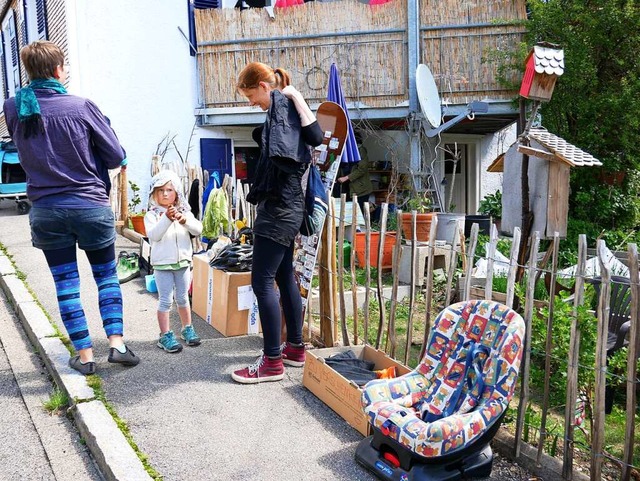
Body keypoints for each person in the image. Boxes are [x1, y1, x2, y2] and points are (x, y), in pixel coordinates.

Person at [2, 40, 138, 375]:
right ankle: (117, 345)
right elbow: (116, 155)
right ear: (60, 70)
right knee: (106, 278)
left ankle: (85, 356)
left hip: (47, 210)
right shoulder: (81, 107)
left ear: (28, 71)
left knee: (66, 285)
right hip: (90, 206)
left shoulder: (14, 107)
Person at [232, 61, 323, 384]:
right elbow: (315, 136)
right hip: (290, 207)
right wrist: (298, 99)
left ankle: (271, 362)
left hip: (279, 209)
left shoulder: (280, 106)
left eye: (250, 95)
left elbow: (302, 145)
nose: (251, 102)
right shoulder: (283, 107)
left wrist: (294, 98)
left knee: (262, 282)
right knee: (284, 276)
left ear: (263, 86)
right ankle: (295, 348)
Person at [144, 170, 203, 353]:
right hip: (162, 264)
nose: (165, 194)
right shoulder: (152, 215)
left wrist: (183, 220)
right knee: (165, 301)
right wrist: (167, 220)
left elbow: (198, 229)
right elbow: (154, 235)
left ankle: (187, 329)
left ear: (176, 192)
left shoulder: (184, 212)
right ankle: (165, 335)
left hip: (183, 263)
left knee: (183, 298)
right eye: (160, 190)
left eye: (169, 189)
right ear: (154, 193)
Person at [337, 132, 373, 219]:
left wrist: (346, 178)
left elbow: (362, 169)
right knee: (348, 214)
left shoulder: (360, 150)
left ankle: (359, 231)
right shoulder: (344, 152)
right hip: (347, 189)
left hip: (360, 189)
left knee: (358, 214)